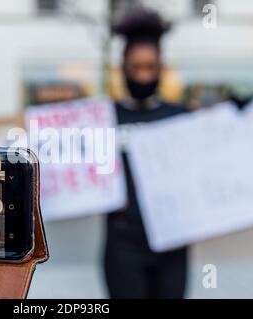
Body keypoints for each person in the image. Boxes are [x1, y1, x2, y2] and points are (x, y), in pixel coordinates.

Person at [104, 7, 188, 299]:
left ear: (160, 68)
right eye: (135, 68)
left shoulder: (182, 117)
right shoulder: (104, 118)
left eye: (149, 67)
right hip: (123, 243)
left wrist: (239, 116)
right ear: (124, 68)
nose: (142, 75)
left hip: (172, 241)